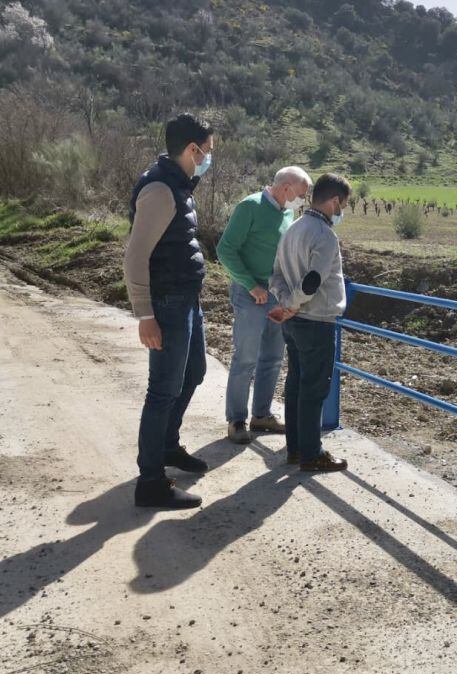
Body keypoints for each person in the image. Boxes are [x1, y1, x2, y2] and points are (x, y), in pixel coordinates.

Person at [122, 113, 215, 509]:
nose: (209, 158)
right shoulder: (160, 191)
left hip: (185, 299)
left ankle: (167, 446)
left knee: (194, 373)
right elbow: (135, 256)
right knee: (162, 391)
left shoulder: (179, 185)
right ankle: (151, 482)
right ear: (191, 149)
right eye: (207, 151)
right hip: (167, 303)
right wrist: (145, 314)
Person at [216, 166, 311, 445]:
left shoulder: (286, 213)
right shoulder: (250, 207)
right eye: (301, 194)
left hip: (275, 295)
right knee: (245, 358)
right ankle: (236, 419)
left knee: (272, 357)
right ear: (286, 188)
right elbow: (225, 249)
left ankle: (261, 414)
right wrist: (250, 284)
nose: (302, 201)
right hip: (250, 294)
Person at [268, 173, 351, 473]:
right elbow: (313, 281)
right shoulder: (324, 235)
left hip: (294, 322)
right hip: (316, 321)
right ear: (334, 201)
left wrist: (285, 303)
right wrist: (292, 304)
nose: (343, 211)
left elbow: (275, 274)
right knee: (314, 389)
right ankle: (311, 453)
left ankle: (295, 448)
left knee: (296, 384)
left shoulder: (292, 228)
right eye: (343, 205)